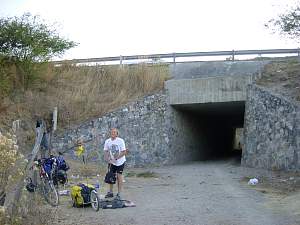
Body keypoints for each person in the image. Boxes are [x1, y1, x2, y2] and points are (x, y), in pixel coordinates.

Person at [103, 128, 127, 200]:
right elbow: (106, 151)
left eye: (114, 132)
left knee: (119, 176)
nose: (113, 133)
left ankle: (119, 194)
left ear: (117, 134)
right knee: (111, 175)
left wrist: (116, 158)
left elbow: (124, 152)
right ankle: (110, 192)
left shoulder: (120, 141)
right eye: (112, 132)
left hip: (120, 162)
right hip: (112, 162)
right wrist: (108, 159)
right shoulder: (107, 141)